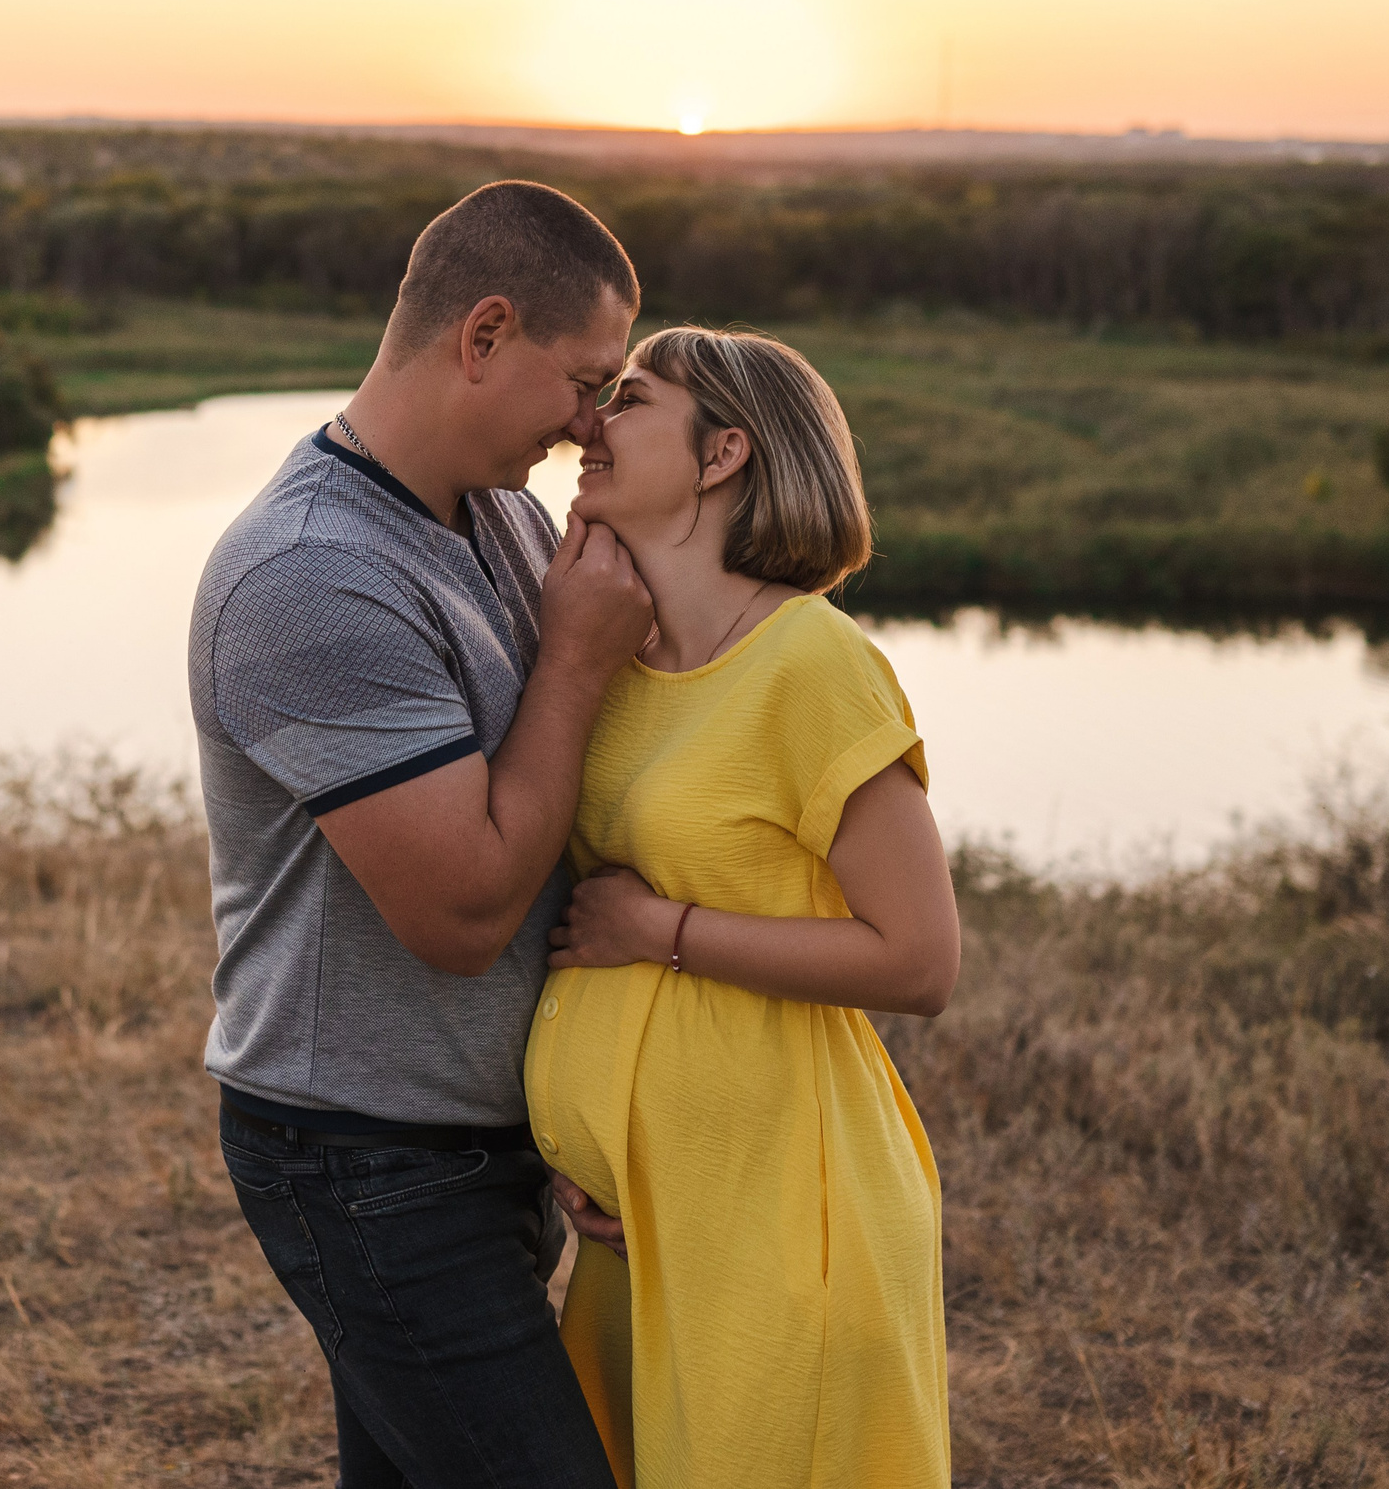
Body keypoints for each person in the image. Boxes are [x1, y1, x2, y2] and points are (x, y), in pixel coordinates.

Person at [188, 180, 656, 1489]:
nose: (587, 426)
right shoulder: (310, 576)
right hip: (364, 1161)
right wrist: (572, 659)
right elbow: (462, 918)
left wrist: (589, 1121)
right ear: (484, 333)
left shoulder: (492, 510)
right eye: (583, 380)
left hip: (473, 1144)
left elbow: (554, 815)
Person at [525, 327, 959, 1488]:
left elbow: (920, 957)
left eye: (629, 402)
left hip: (781, 1209)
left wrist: (659, 931)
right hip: (638, 1219)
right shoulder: (614, 661)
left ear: (722, 453)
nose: (588, 427)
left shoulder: (811, 661)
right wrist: (598, 1152)